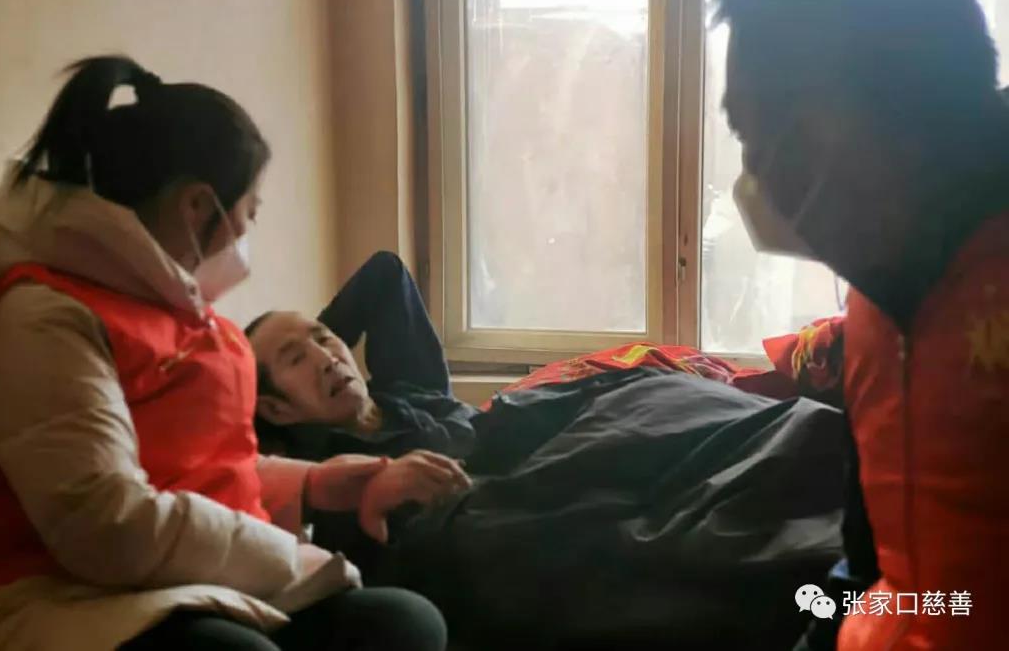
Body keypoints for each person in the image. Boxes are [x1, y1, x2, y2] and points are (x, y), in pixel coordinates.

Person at [0, 56, 466, 651]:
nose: (244, 237)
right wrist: (281, 553)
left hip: (180, 580)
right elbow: (106, 526)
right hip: (59, 598)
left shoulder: (180, 317)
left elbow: (201, 469)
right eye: (247, 214)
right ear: (197, 208)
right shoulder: (42, 323)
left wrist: (316, 484)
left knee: (404, 622)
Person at [247, 251, 851, 650]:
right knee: (629, 539)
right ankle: (832, 583)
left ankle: (849, 475)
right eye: (297, 359)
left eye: (326, 339)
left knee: (669, 398)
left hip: (553, 436)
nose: (327, 357)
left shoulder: (409, 388)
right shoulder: (318, 471)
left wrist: (308, 342)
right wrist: (246, 394)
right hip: (495, 505)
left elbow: (384, 274)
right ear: (274, 409)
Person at [715, 0, 1009, 648]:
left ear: (905, 99)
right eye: (744, 137)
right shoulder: (875, 297)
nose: (759, 175)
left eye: (780, 133)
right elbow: (871, 568)